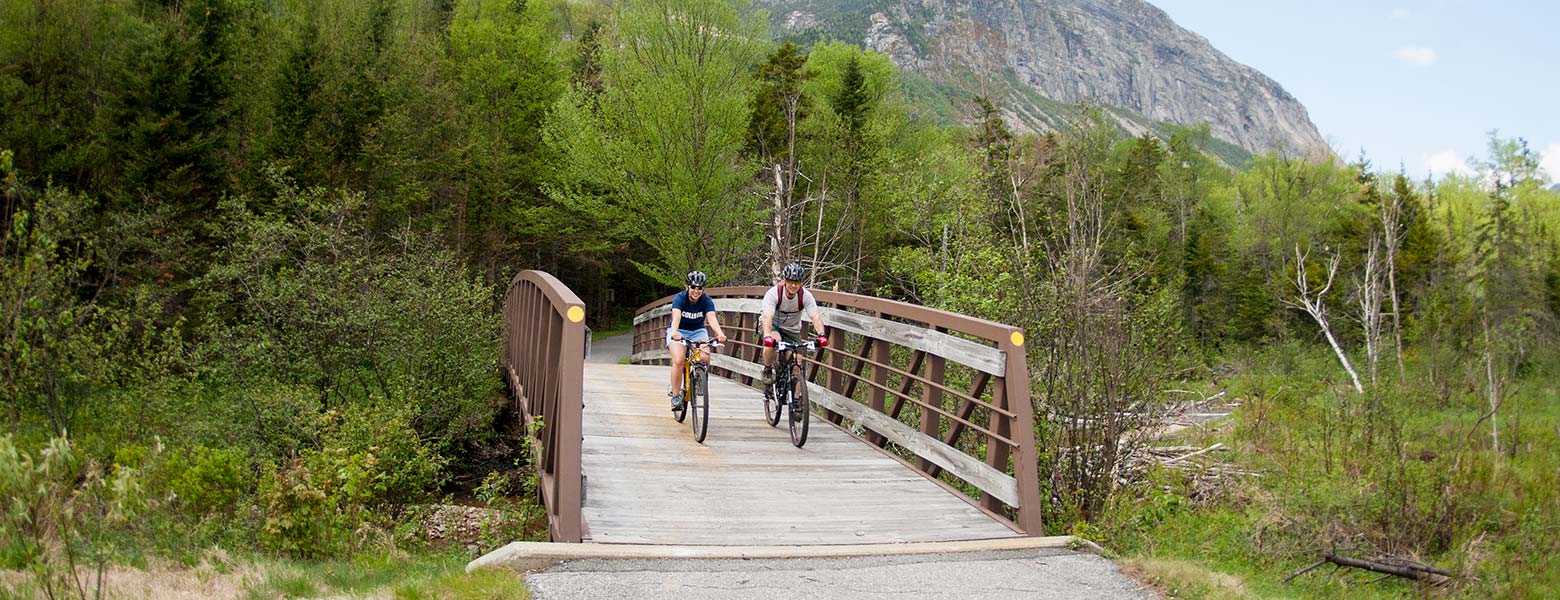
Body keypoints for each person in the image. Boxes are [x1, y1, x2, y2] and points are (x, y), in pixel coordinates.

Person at [759, 261, 827, 396]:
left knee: (797, 364)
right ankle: (768, 368)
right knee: (774, 341)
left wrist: (822, 335)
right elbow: (767, 316)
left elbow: (815, 316)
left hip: (793, 330)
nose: (794, 285)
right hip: (774, 326)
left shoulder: (805, 296)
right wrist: (767, 335)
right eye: (790, 281)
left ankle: (797, 402)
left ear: (801, 282)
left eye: (797, 282)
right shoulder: (774, 294)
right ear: (784, 280)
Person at [667, 270, 727, 411]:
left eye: (700, 288)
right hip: (679, 330)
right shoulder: (680, 298)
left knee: (705, 357)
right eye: (693, 287)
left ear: (703, 289)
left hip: (697, 331)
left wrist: (720, 333)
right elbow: (676, 316)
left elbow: (711, 318)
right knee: (679, 359)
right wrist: (674, 332)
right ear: (687, 286)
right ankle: (676, 396)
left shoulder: (706, 300)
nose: (696, 291)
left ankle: (699, 381)